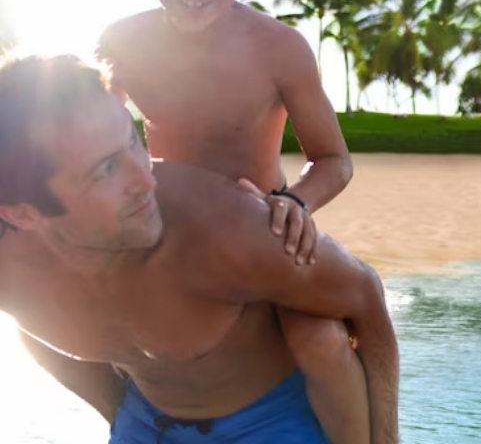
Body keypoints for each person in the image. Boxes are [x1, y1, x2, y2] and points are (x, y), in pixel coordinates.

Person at [94, 0, 372, 443]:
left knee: (318, 340)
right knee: (69, 319)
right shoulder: (121, 41)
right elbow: (91, 132)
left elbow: (335, 159)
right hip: (161, 226)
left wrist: (295, 205)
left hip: (260, 225)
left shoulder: (280, 48)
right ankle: (126, 417)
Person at [0, 54, 400, 443]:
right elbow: (37, 335)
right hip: (144, 421)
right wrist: (119, 419)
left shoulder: (224, 229)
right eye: (105, 169)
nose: (146, 179)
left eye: (134, 141)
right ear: (22, 214)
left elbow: (364, 294)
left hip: (274, 418)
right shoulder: (13, 275)